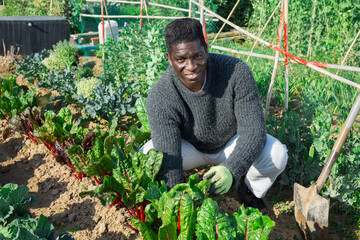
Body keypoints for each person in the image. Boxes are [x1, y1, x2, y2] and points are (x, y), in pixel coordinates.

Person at [142, 18, 288, 214]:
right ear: (169, 58)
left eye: (197, 56)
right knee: (149, 157)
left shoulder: (236, 72)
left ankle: (249, 191)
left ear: (206, 49)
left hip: (229, 143)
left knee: (277, 155)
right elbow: (169, 160)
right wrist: (179, 208)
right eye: (181, 59)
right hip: (188, 147)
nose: (191, 66)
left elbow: (253, 132)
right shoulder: (161, 96)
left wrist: (232, 169)